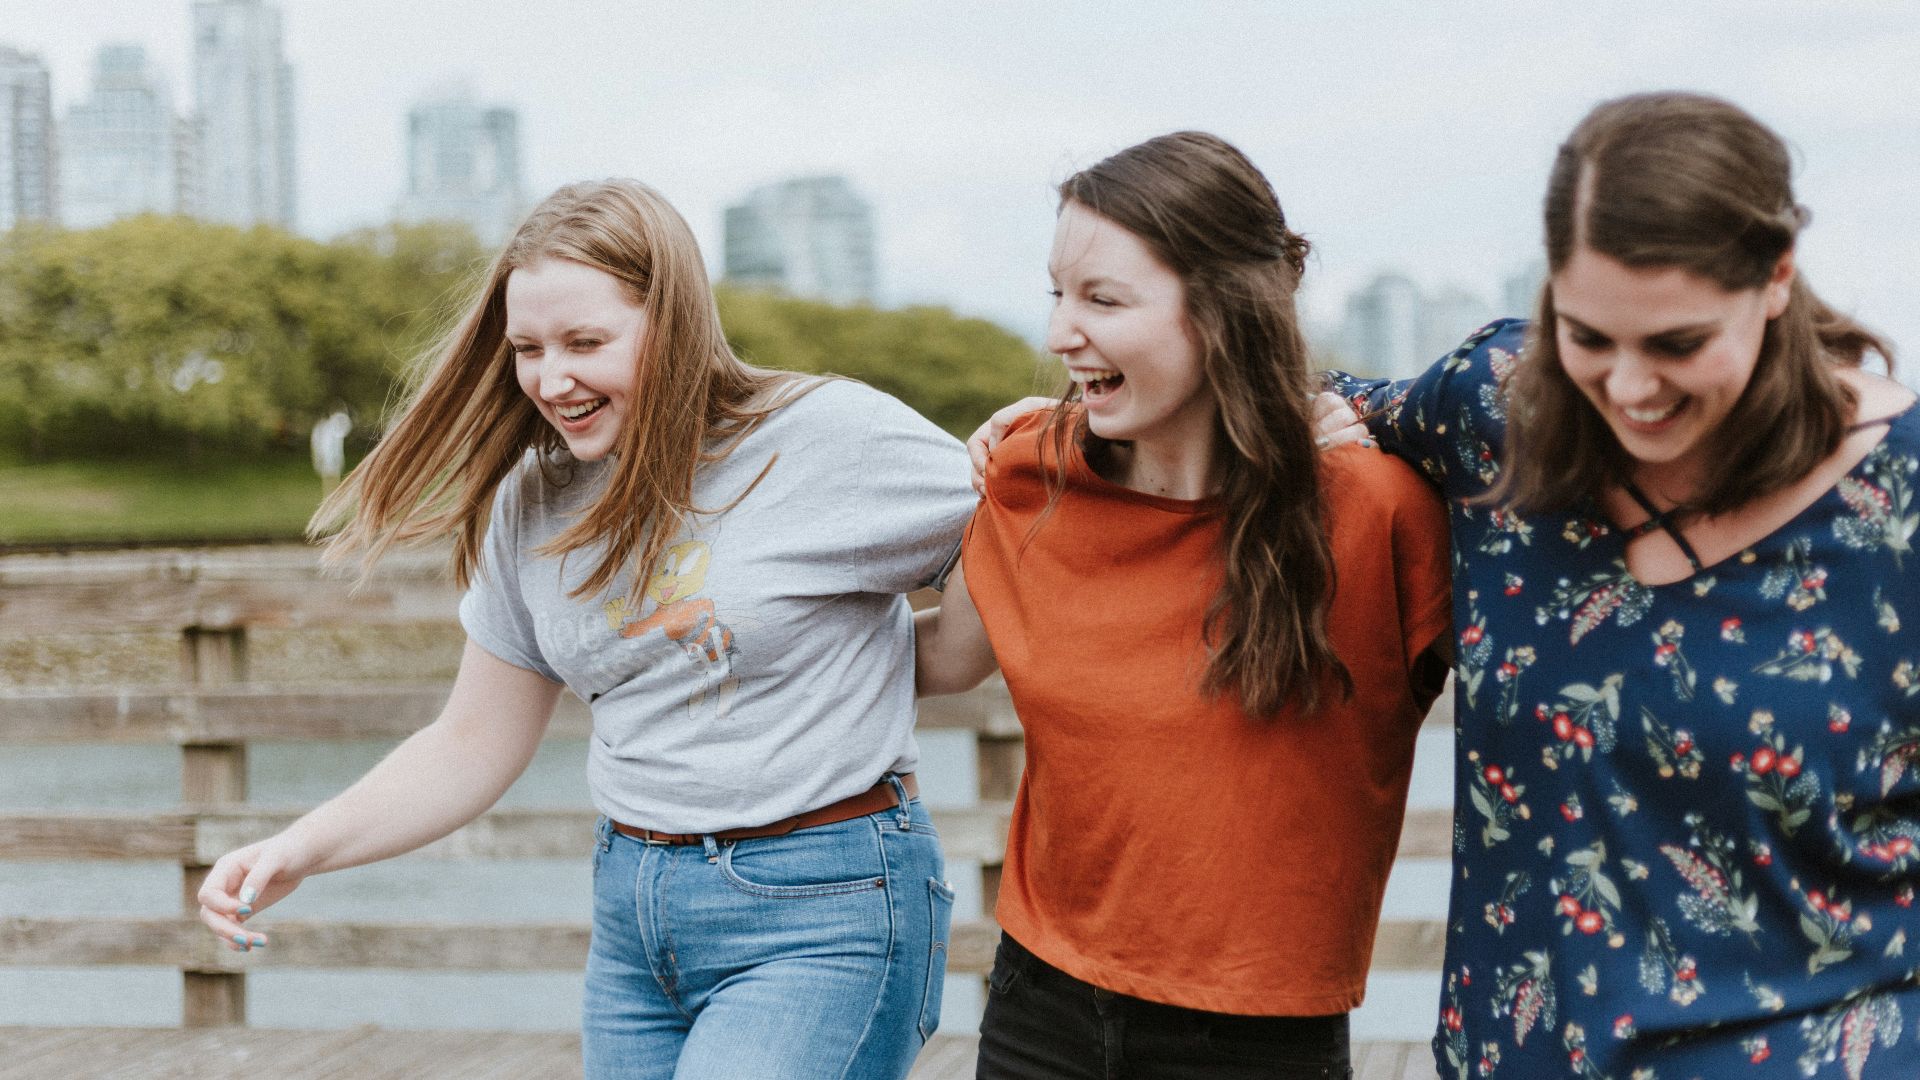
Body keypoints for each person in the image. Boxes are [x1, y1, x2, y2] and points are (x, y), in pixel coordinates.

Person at [974, 93, 1920, 1078]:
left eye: (1678, 344)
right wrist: (1061, 423)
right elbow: (1280, 404)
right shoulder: (1495, 409)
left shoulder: (1902, 501)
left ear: (1775, 281)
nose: (1631, 388)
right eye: (1590, 337)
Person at [195, 179, 975, 1080]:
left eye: (586, 343)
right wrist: (299, 848)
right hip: (636, 921)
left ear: (673, 323)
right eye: (527, 348)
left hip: (824, 907)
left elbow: (1022, 537)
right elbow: (471, 741)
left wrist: (916, 660)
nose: (550, 380)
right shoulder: (533, 501)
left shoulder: (825, 439)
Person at [915, 131, 1454, 1079]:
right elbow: (942, 660)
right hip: (1039, 1009)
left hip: (1257, 1041)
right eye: (1057, 293)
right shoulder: (1028, 473)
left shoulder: (1379, 513)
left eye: (1102, 300)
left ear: (1222, 312)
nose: (1058, 334)